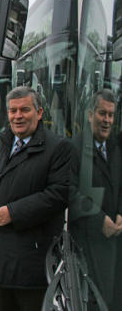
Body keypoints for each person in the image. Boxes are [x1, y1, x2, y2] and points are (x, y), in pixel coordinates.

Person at [0, 86, 71, 311]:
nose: (17, 116)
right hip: (0, 256)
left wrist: (13, 213)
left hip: (33, 261)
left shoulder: (58, 148)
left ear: (39, 113)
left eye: (24, 110)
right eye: (12, 110)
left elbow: (59, 193)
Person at [69, 89, 122, 310]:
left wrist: (120, 213)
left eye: (111, 115)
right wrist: (100, 220)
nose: (107, 120)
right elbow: (69, 191)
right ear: (91, 114)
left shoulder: (116, 148)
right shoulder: (75, 147)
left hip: (116, 242)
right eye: (102, 114)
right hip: (87, 244)